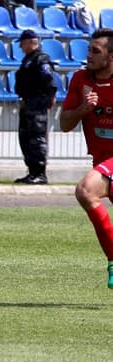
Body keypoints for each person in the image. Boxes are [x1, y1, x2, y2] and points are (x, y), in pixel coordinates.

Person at [60, 28, 113, 289]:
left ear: (111, 57)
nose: (88, 55)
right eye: (88, 49)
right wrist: (83, 108)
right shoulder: (81, 79)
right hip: (102, 161)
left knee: (85, 190)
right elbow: (64, 124)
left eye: (95, 51)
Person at [14, 29, 57, 185]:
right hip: (28, 102)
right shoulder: (29, 59)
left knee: (37, 138)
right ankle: (32, 172)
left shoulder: (41, 59)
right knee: (25, 138)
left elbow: (49, 80)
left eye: (22, 43)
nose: (20, 47)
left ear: (31, 42)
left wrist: (50, 97)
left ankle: (40, 173)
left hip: (37, 103)